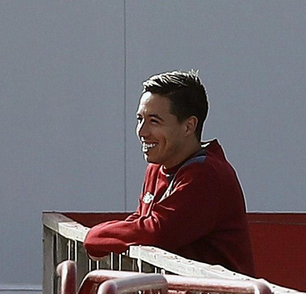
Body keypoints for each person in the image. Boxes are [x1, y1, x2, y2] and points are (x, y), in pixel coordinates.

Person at [84, 71, 253, 275]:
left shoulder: (207, 174)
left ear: (189, 126)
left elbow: (157, 231)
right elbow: (141, 220)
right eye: (140, 119)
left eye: (154, 121)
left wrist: (96, 236)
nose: (142, 131)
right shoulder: (158, 166)